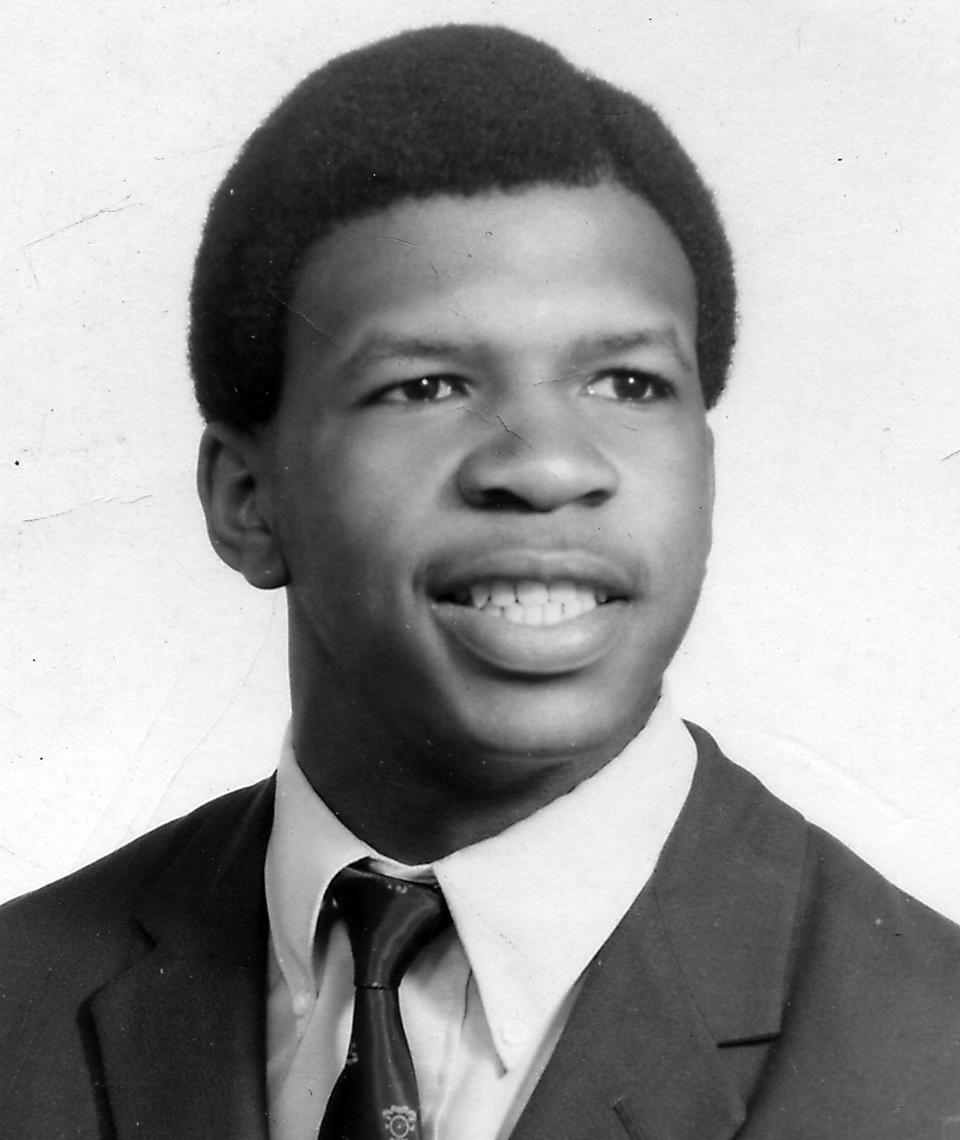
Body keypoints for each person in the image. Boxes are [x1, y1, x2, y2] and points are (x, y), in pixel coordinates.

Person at [2, 23, 959, 1140]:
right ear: (247, 501)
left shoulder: (928, 1050)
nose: (547, 464)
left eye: (629, 382)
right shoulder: (18, 1005)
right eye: (425, 386)